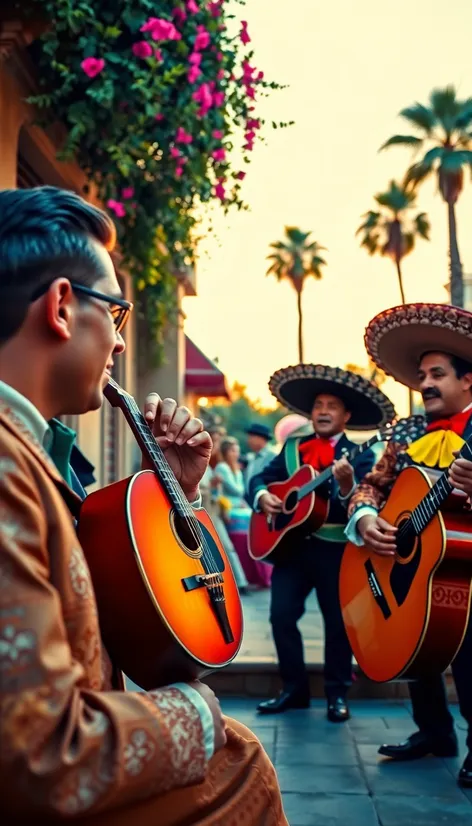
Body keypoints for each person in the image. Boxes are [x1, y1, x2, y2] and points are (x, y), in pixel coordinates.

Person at [0, 186, 287, 825]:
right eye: (117, 314)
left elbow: (96, 616)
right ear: (62, 307)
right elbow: (38, 758)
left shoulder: (31, 450)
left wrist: (170, 496)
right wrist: (197, 712)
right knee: (238, 761)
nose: (121, 345)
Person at [346, 302, 472, 788]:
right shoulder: (406, 435)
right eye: (421, 374)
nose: (425, 383)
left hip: (469, 565)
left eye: (437, 373)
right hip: (420, 566)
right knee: (418, 642)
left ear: (468, 381)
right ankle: (434, 732)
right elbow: (373, 484)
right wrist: (364, 516)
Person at [248, 363, 396, 720]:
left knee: (337, 622)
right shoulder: (291, 449)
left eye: (332, 406)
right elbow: (260, 480)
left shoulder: (362, 456)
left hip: (335, 550)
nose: (323, 411)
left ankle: (336, 694)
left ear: (346, 415)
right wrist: (263, 496)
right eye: (318, 406)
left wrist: (346, 487)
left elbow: (368, 500)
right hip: (292, 548)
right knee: (280, 616)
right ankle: (293, 689)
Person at [215, 437, 272, 589]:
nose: (236, 454)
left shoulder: (236, 468)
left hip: (239, 506)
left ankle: (261, 575)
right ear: (226, 452)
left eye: (237, 451)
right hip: (229, 508)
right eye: (233, 451)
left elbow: (240, 491)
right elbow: (237, 490)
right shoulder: (222, 468)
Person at [200, 426, 249, 593]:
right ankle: (230, 584)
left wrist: (222, 507)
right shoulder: (203, 463)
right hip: (203, 513)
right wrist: (211, 487)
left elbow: (218, 494)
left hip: (214, 512)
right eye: (214, 440)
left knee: (226, 548)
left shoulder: (213, 464)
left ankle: (238, 583)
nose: (216, 445)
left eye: (218, 441)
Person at [244, 423, 277, 491]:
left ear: (261, 438)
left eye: (251, 436)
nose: (248, 440)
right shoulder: (253, 457)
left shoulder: (272, 457)